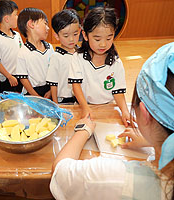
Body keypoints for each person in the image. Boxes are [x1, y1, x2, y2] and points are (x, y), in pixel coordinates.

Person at [50, 42, 174, 200]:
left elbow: (60, 171)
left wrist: (83, 130)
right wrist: (152, 141)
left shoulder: (114, 178)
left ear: (145, 114)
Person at [68, 7, 130, 126]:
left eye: (108, 38)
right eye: (97, 39)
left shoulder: (116, 62)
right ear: (85, 35)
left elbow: (118, 91)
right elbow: (76, 85)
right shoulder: (78, 58)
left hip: (108, 107)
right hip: (84, 105)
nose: (103, 44)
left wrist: (124, 111)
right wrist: (85, 107)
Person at [15, 7, 54, 98]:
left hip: (50, 89)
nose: (48, 28)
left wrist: (51, 90)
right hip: (32, 93)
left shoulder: (49, 48)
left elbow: (55, 71)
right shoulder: (23, 52)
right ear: (31, 24)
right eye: (45, 23)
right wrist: (36, 96)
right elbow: (23, 79)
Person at [46, 9, 80, 104]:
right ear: (57, 36)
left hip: (79, 98)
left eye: (75, 34)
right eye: (66, 36)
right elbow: (53, 83)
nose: (71, 39)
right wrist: (56, 103)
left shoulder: (81, 53)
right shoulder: (56, 57)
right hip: (63, 99)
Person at [0, 0, 23, 93]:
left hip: (19, 75)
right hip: (7, 78)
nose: (18, 17)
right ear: (7, 19)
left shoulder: (17, 35)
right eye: (16, 15)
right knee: (7, 104)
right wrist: (9, 76)